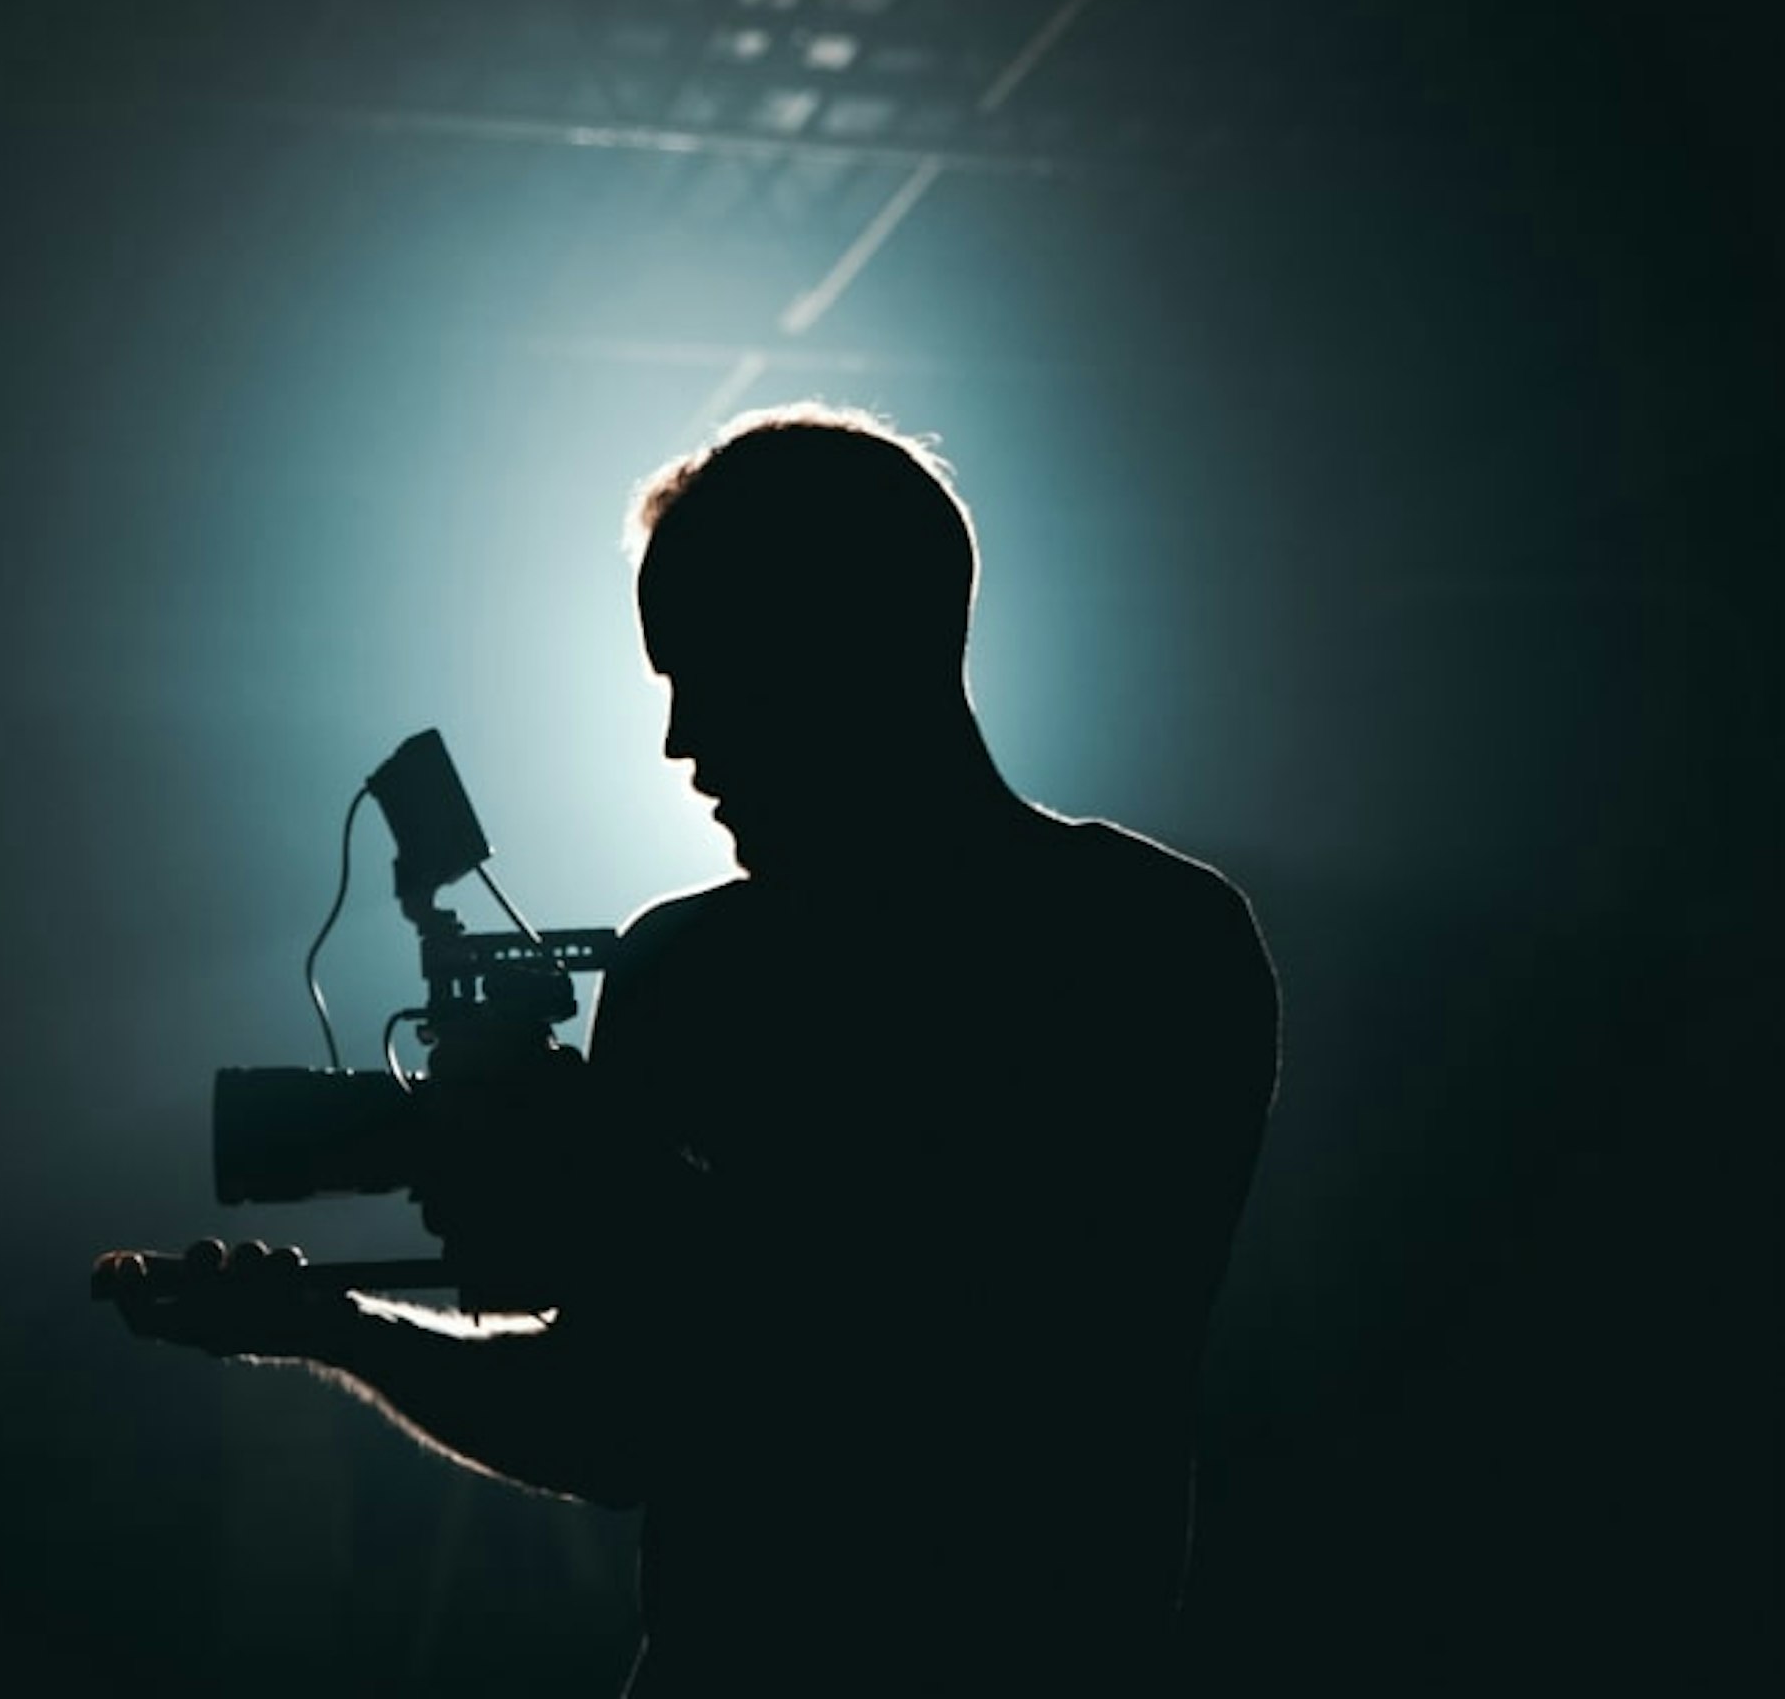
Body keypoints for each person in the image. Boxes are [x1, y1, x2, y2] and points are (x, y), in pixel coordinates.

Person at [103, 404, 1280, 1697]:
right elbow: (614, 1416)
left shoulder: (1144, 947)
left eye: (711, 671)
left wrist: (603, 1169)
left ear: (858, 641)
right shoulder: (697, 965)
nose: (679, 743)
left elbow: (993, 1359)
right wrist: (334, 1326)